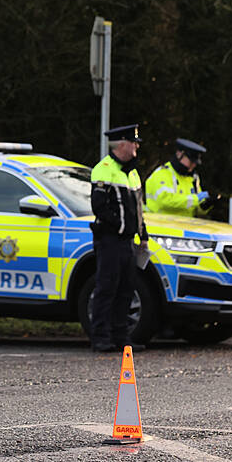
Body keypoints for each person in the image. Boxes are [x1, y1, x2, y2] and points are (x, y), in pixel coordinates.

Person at [89, 124, 148, 353]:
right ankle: (100, 337)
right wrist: (122, 226)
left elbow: (139, 208)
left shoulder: (132, 172)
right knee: (106, 288)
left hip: (127, 242)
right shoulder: (103, 169)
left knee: (126, 288)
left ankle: (121, 337)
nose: (137, 146)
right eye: (134, 142)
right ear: (122, 144)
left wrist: (143, 235)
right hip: (109, 240)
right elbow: (99, 207)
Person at [146, 138, 214, 217]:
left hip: (184, 227)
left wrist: (206, 205)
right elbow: (165, 201)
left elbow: (195, 209)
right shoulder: (163, 174)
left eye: (195, 163)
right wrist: (195, 199)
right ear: (179, 154)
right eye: (191, 161)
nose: (194, 165)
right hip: (162, 226)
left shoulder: (193, 178)